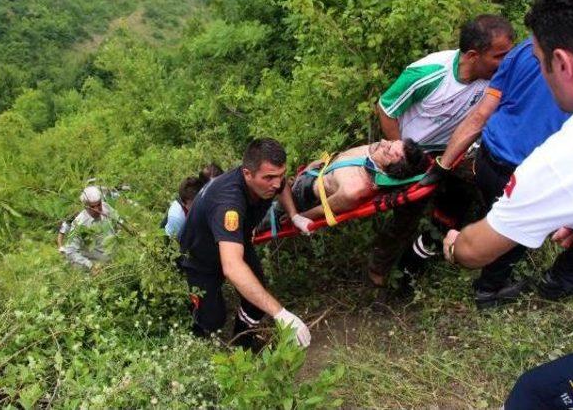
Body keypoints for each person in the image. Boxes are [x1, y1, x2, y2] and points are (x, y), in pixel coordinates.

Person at [441, 0, 573, 407]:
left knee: (530, 396)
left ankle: (490, 289)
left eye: (542, 64)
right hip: (506, 169)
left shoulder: (562, 161)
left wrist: (454, 246)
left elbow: (472, 248)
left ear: (562, 62)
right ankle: (495, 287)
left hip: (499, 163)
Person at [368, 14, 515, 288]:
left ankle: (433, 245)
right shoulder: (428, 73)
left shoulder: (496, 77)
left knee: (473, 185)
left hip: (453, 151)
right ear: (473, 55)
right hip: (412, 150)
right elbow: (386, 109)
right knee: (407, 211)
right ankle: (380, 268)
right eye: (499, 56)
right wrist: (402, 152)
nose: (506, 62)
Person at [426, 37, 571, 308]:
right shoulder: (572, 68)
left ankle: (479, 236)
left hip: (488, 158)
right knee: (515, 235)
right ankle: (489, 290)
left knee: (497, 208)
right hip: (526, 171)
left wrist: (444, 164)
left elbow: (481, 114)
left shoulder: (527, 49)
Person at [178, 138, 313, 348]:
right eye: (269, 178)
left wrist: (294, 215)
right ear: (247, 173)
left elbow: (283, 186)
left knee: (257, 299)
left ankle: (242, 343)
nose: (276, 184)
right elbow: (232, 266)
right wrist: (281, 313)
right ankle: (197, 320)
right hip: (200, 257)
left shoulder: (268, 180)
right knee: (213, 320)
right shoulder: (228, 202)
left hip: (234, 241)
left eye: (280, 175)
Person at [290, 139, 427, 219]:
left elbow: (321, 211)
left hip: (299, 197)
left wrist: (295, 217)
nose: (384, 142)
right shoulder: (374, 152)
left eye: (389, 147)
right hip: (307, 175)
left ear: (393, 165)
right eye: (391, 141)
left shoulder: (354, 189)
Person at [64, 186, 120, 272]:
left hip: (114, 264)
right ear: (85, 206)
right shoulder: (78, 224)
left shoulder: (106, 207)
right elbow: (70, 250)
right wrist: (90, 266)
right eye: (93, 207)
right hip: (96, 270)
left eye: (99, 205)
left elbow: (118, 221)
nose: (97, 209)